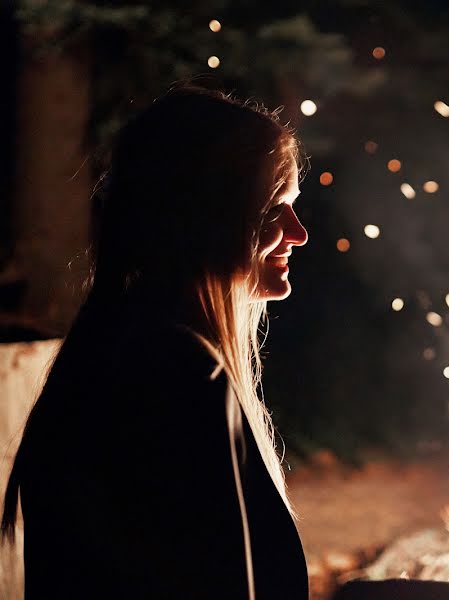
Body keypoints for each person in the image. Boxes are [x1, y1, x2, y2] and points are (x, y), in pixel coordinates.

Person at [2, 87, 310, 598]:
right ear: (211, 216)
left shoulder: (116, 349)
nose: (298, 233)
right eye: (275, 208)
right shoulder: (180, 373)